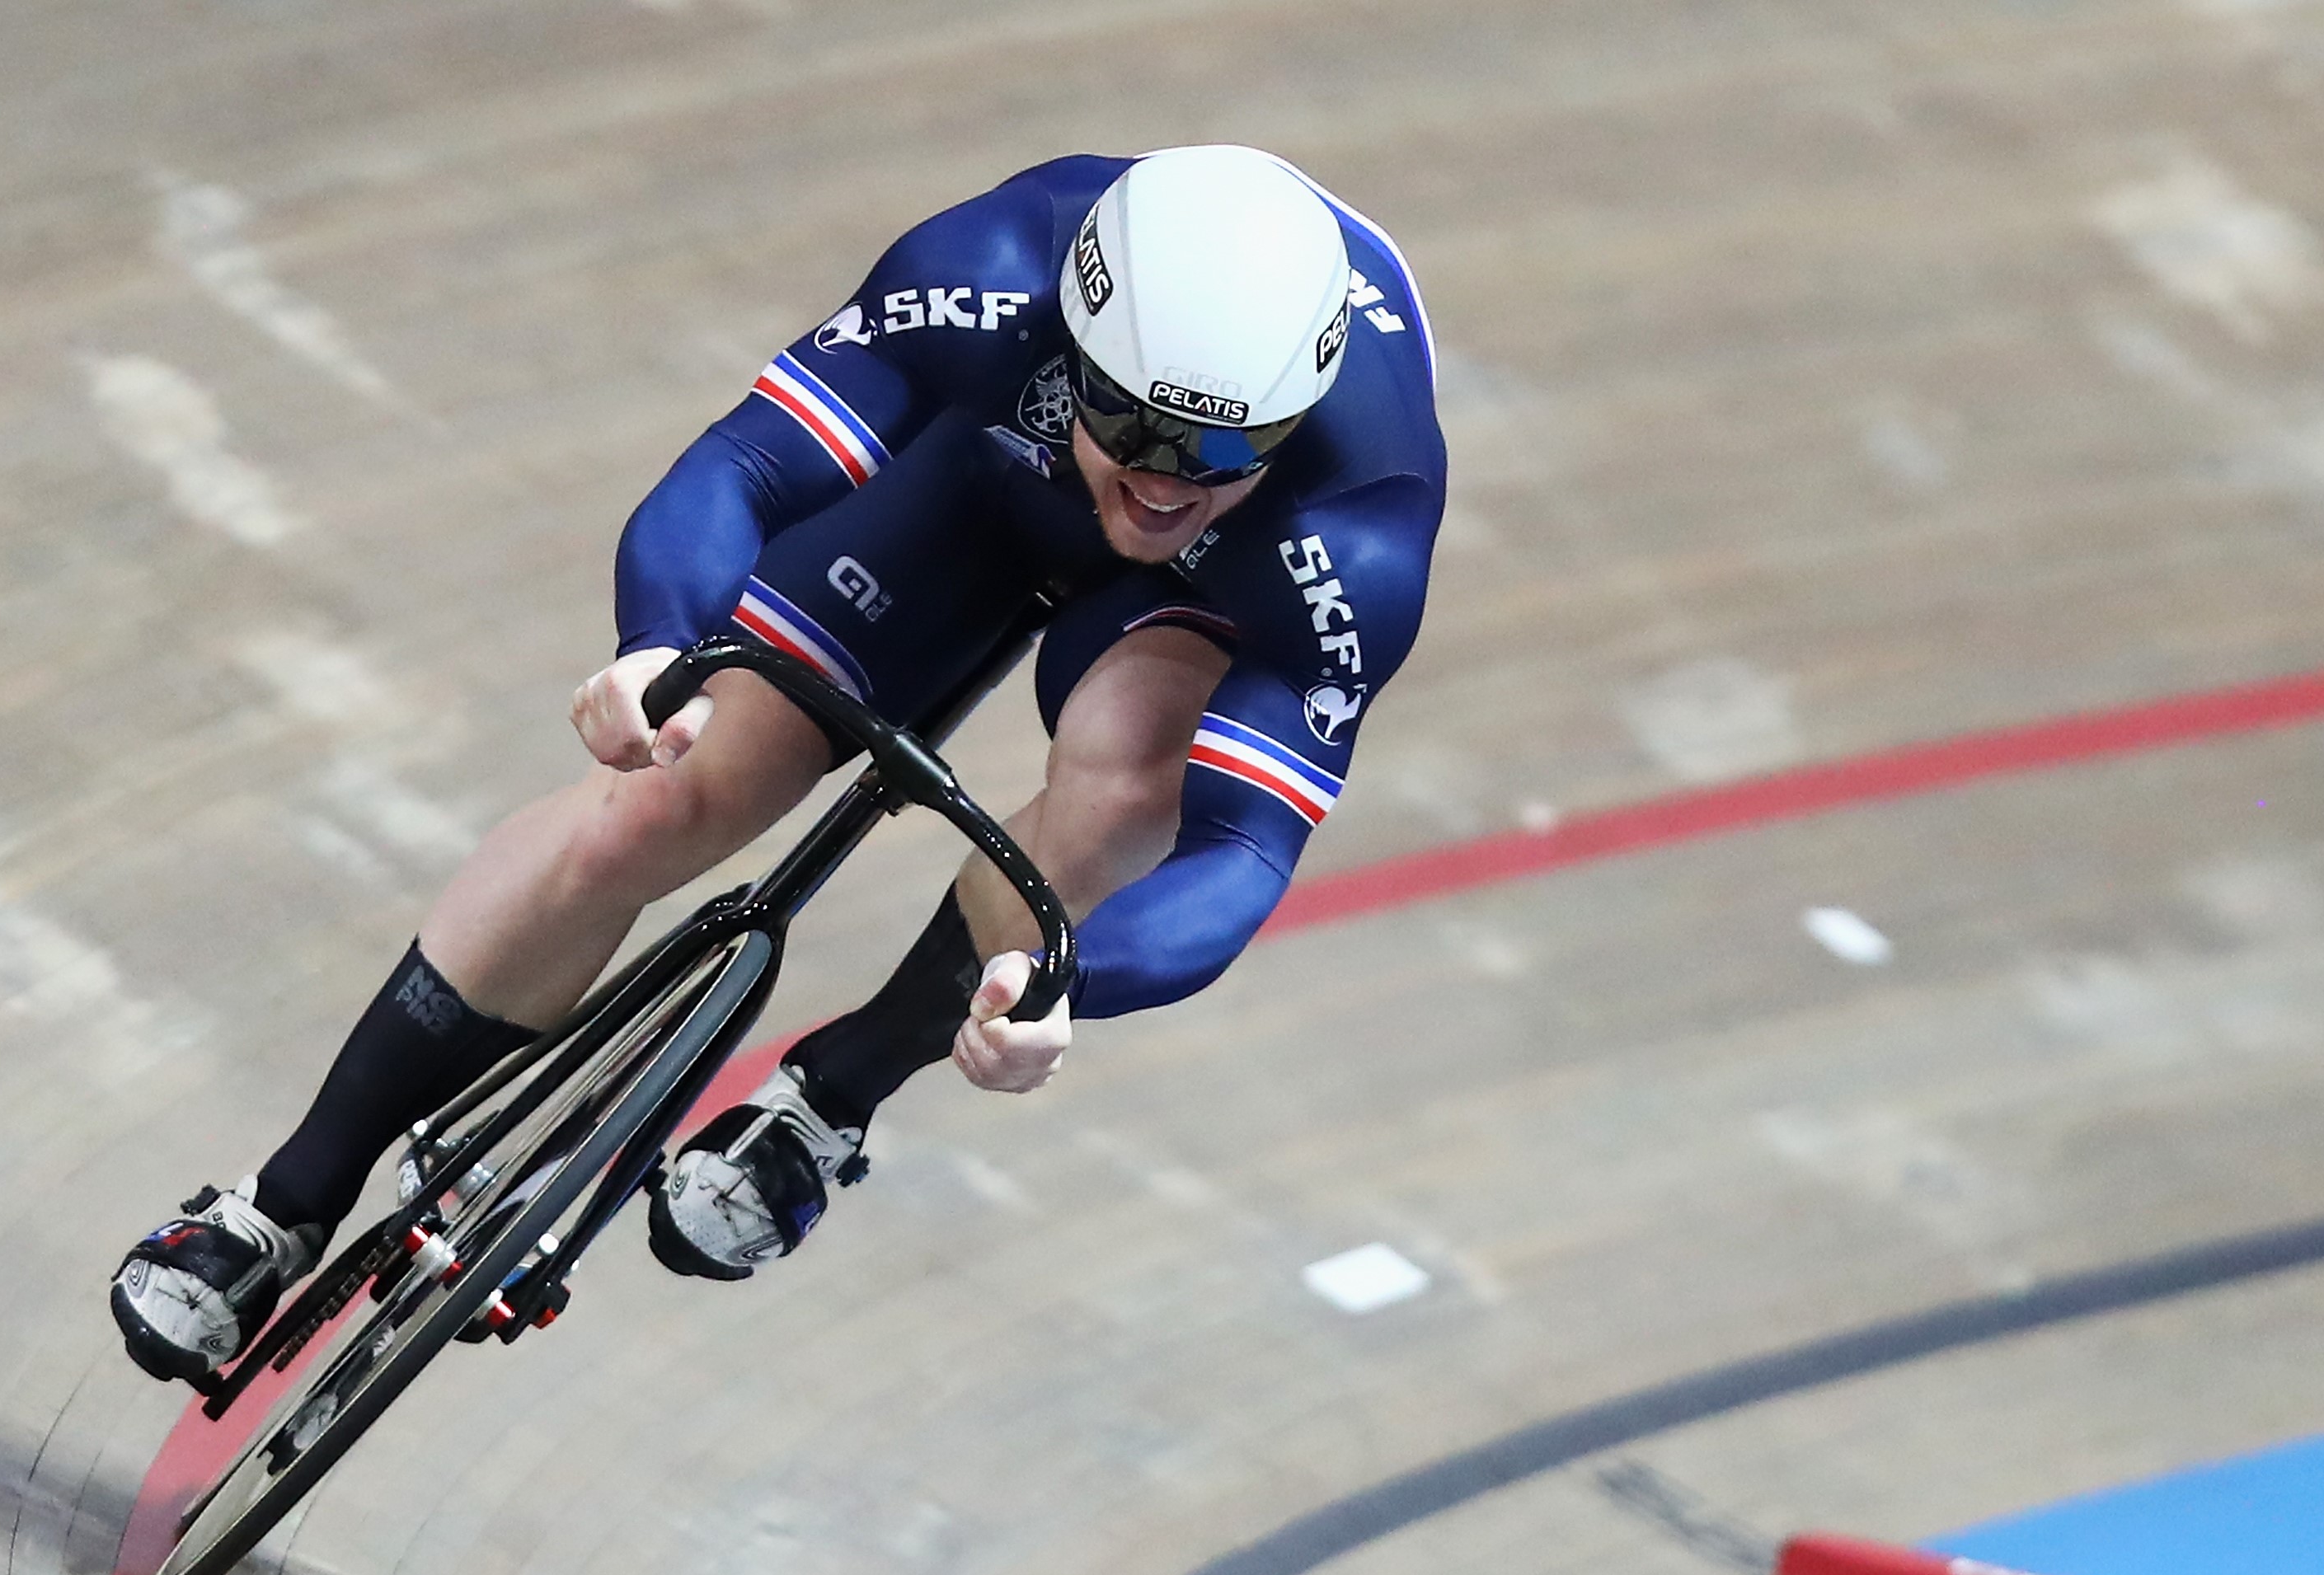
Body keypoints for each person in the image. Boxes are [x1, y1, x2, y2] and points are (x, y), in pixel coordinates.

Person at [110, 143, 1443, 1385]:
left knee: (1129, 770)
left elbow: (1244, 849)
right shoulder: (984, 279)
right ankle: (288, 1199)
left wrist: (1069, 982)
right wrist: (654, 652)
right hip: (977, 474)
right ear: (1075, 340)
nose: (1169, 483)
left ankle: (832, 1097)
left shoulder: (1355, 525)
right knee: (666, 799)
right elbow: (744, 469)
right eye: (1140, 432)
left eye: (1223, 451)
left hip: (1186, 608)